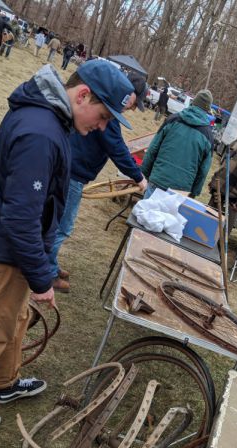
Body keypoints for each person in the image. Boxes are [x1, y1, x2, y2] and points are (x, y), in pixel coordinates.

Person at [0, 60, 135, 429]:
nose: (102, 127)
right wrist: (42, 278)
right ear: (83, 94)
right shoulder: (40, 132)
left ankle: (4, 383)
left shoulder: (51, 121)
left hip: (14, 247)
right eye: (103, 116)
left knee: (15, 316)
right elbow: (21, 217)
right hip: (7, 248)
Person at [50, 73, 149, 292]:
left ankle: (50, 265)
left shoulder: (109, 115)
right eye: (132, 104)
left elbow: (116, 144)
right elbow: (116, 147)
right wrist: (138, 177)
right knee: (62, 227)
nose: (131, 109)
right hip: (73, 172)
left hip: (75, 170)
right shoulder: (108, 112)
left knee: (57, 222)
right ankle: (47, 273)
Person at [141, 89, 214, 198]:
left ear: (193, 103)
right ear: (207, 109)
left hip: (158, 179)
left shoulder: (172, 119)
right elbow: (203, 171)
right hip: (181, 190)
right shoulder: (208, 135)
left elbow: (152, 149)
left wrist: (144, 173)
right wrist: (194, 193)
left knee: (144, 214)